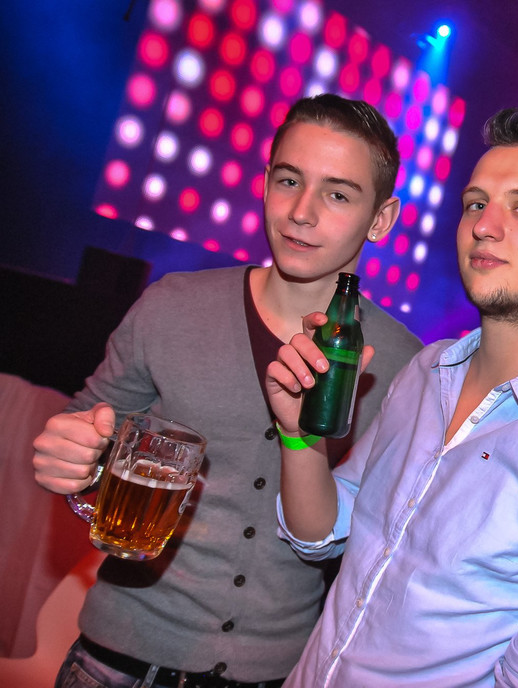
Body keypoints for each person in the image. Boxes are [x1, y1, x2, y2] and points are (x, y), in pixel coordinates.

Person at [31, 94, 423, 688]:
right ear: (264, 184)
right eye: (289, 181)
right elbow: (90, 430)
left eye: (338, 194)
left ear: (381, 219)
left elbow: (381, 547)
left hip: (275, 674)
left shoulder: (402, 364)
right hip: (114, 662)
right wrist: (72, 460)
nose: (302, 212)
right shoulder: (172, 307)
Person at [267, 108, 518, 687]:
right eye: (476, 204)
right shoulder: (426, 370)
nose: (485, 226)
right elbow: (321, 531)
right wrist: (298, 436)